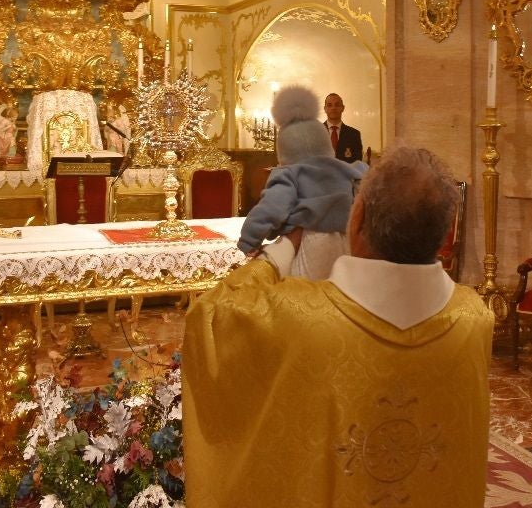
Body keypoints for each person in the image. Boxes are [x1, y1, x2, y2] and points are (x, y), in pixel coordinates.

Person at [183, 146, 493, 508]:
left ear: (356, 219)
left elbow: (211, 317)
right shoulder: (474, 317)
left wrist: (283, 248)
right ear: (442, 239)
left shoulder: (296, 317)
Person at [239, 85, 366, 279]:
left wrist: (249, 240)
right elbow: (364, 180)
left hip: (309, 242)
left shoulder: (289, 173)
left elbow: (271, 208)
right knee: (337, 291)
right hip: (345, 240)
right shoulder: (345, 168)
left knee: (307, 294)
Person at [323, 92, 363, 163]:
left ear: (343, 108)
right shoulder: (316, 133)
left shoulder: (354, 134)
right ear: (325, 109)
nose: (333, 108)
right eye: (329, 105)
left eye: (337, 105)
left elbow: (357, 164)